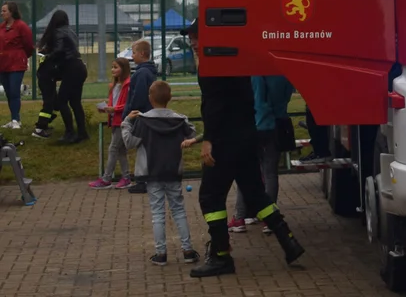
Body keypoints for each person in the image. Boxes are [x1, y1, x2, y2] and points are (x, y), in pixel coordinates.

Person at [181, 18, 304, 277]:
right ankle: (288, 241)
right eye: (190, 36)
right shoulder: (236, 60)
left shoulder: (211, 65)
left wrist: (208, 140)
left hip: (224, 142)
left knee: (210, 197)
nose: (192, 41)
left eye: (196, 36)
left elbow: (214, 106)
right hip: (247, 138)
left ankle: (220, 256)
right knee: (256, 194)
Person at [122, 80, 200, 266]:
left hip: (152, 173)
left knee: (157, 213)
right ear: (170, 98)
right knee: (179, 210)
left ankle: (161, 253)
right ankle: (187, 250)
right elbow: (192, 134)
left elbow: (130, 142)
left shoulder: (143, 121)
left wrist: (126, 122)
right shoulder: (179, 119)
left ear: (150, 98)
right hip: (173, 170)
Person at [229, 74, 295, 235]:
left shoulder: (258, 74)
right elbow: (286, 96)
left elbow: (257, 99)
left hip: (258, 125)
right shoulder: (284, 75)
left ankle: (241, 216)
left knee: (247, 171)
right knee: (271, 173)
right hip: (278, 125)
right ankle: (269, 218)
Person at [31, 10, 79, 140]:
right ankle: (40, 128)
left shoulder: (55, 34)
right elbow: (58, 52)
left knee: (55, 103)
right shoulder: (63, 34)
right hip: (46, 75)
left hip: (47, 74)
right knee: (49, 102)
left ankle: (45, 121)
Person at [89, 58, 133, 189]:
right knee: (120, 151)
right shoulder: (114, 85)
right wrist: (106, 108)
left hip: (122, 120)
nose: (113, 70)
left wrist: (115, 109)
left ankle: (106, 178)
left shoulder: (128, 84)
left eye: (116, 67)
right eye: (112, 67)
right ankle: (126, 178)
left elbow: (127, 104)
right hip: (114, 120)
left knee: (113, 148)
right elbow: (113, 102)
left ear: (123, 69)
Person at [124, 39, 159, 193]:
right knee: (145, 148)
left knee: (142, 148)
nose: (132, 56)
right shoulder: (147, 72)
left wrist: (129, 113)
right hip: (148, 114)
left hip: (142, 116)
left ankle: (142, 180)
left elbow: (137, 96)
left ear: (142, 54)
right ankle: (146, 178)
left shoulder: (142, 73)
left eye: (134, 52)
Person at [0, 1, 34, 129]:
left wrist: (22, 57)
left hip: (16, 64)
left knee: (14, 91)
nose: (2, 13)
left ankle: (15, 119)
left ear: (11, 12)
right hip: (3, 64)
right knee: (8, 92)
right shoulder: (2, 27)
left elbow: (29, 45)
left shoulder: (21, 26)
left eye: (4, 11)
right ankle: (15, 119)